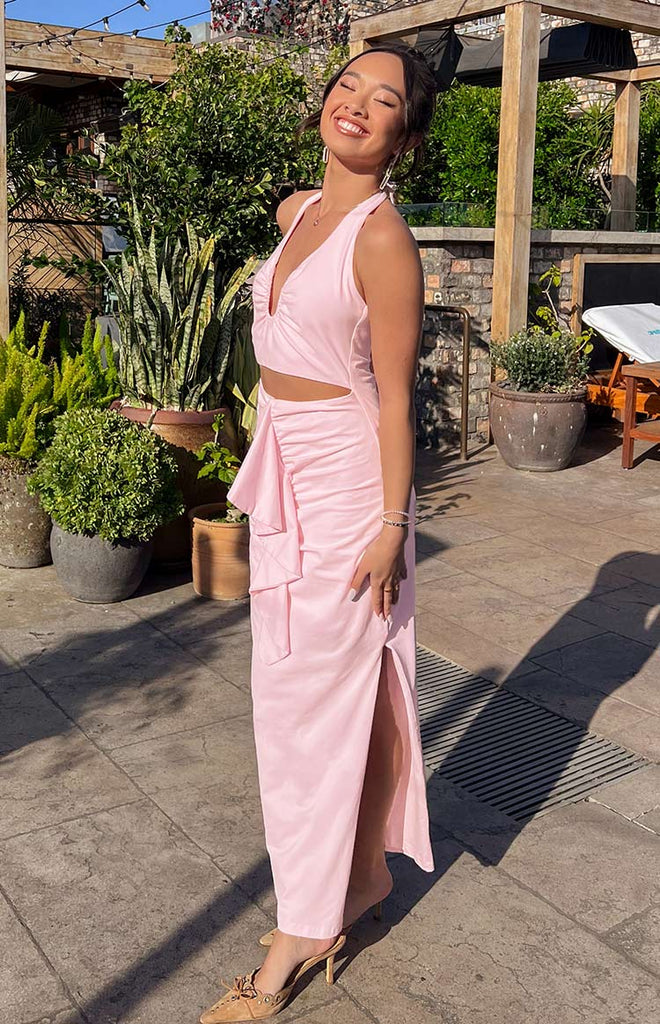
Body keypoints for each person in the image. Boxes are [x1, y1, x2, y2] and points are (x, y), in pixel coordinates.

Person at [200, 42, 438, 1024]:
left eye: (384, 101)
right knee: (302, 698)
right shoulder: (296, 211)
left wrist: (389, 526)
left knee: (308, 706)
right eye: (349, 86)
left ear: (403, 136)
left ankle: (303, 929)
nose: (358, 105)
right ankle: (359, 880)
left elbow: (395, 399)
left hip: (347, 488)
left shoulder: (385, 242)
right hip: (286, 467)